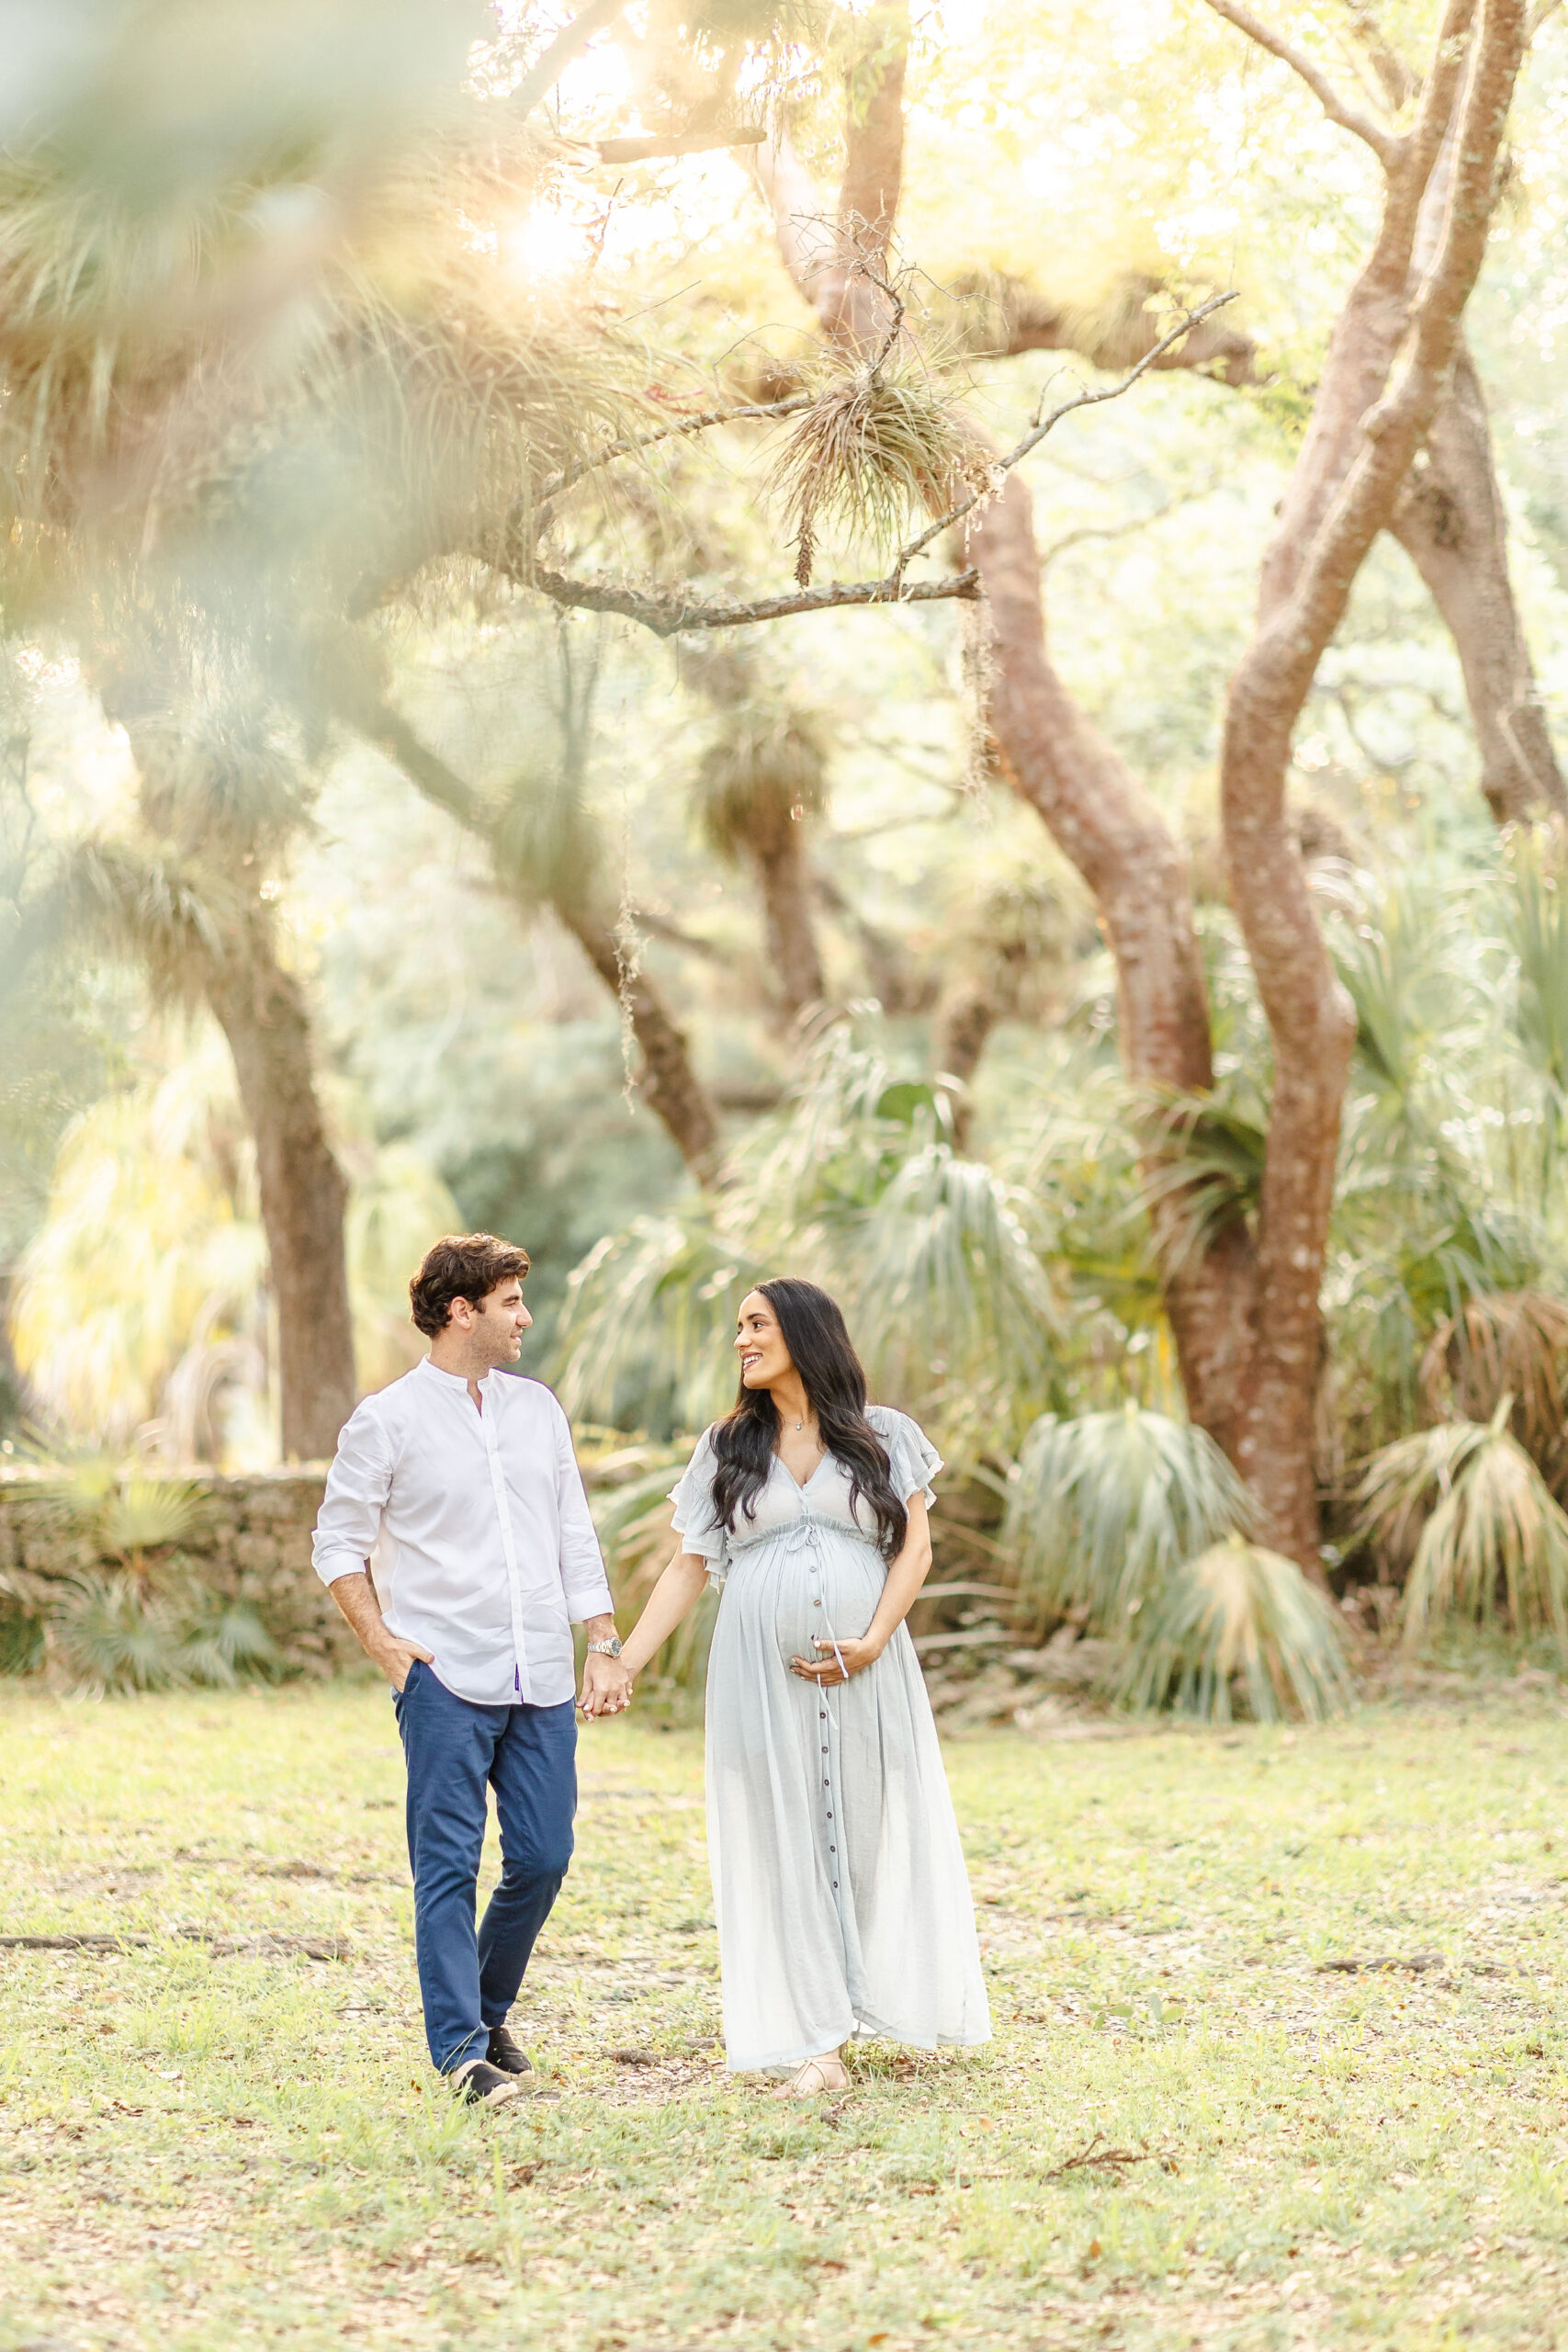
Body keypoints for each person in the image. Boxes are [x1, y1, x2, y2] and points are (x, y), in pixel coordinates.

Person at [597, 1275, 991, 2096]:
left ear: (806, 1334)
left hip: (869, 1668)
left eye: (756, 1325)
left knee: (873, 1830)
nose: (740, 1340)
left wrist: (873, 1640)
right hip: (759, 1678)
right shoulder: (726, 1446)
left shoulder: (883, 1435)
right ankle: (816, 2043)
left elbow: (913, 1551)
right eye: (736, 1328)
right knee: (781, 1838)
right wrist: (622, 1661)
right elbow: (689, 1564)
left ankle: (879, 1999)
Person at [312, 1232, 632, 2107]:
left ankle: (484, 2011)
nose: (525, 1317)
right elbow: (336, 1542)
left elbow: (572, 1530)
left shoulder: (538, 1410)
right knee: (447, 1864)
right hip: (443, 1675)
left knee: (543, 1854)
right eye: (511, 1303)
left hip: (541, 1676)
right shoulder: (386, 1419)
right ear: (462, 1311)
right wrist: (383, 1643)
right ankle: (459, 2050)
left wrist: (601, 1639)